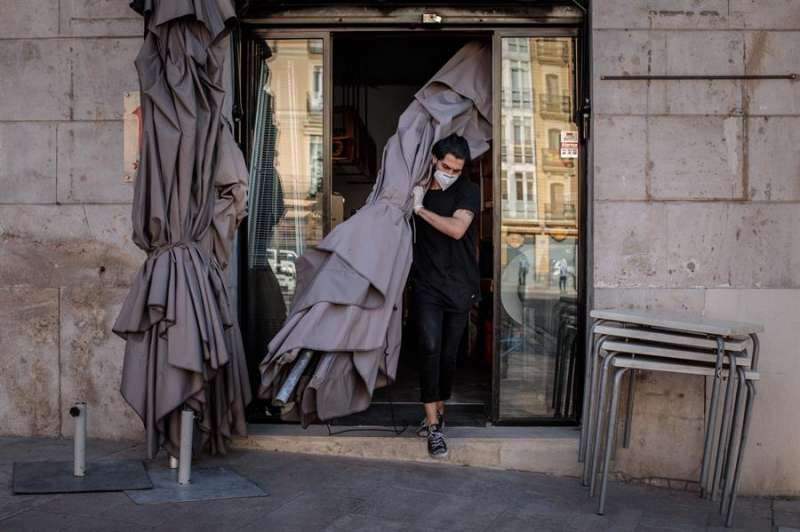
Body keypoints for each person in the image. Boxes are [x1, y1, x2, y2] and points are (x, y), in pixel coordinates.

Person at [410, 133, 480, 459]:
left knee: (449, 356)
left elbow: (456, 229)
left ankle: (439, 408)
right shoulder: (419, 186)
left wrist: (420, 210)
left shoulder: (467, 191)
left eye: (456, 169)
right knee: (428, 347)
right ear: (435, 160)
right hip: (426, 284)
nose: (450, 173)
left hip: (459, 285)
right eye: (446, 166)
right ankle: (433, 425)